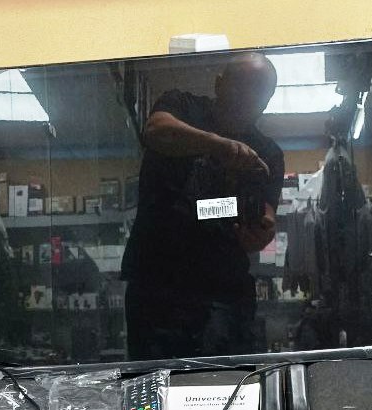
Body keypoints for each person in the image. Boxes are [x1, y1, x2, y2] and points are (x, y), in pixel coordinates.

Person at [122, 52, 285, 359]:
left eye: (259, 94)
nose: (248, 100)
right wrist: (218, 145)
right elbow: (156, 130)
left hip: (223, 290)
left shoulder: (268, 153)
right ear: (219, 84)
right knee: (154, 381)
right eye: (241, 88)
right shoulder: (182, 106)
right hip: (159, 285)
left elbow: (264, 216)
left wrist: (261, 234)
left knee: (225, 382)